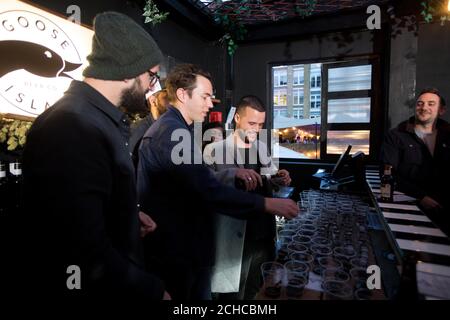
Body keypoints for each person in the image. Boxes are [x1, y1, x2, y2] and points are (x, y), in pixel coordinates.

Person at [14, 12, 169, 299]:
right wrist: (153, 291)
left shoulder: (94, 120)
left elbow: (80, 208)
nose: (153, 87)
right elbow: (79, 247)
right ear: (127, 70)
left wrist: (126, 215)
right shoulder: (71, 126)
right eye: (152, 75)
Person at [136, 64, 298, 300]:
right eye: (205, 97)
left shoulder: (178, 129)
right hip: (177, 252)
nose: (211, 103)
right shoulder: (171, 132)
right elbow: (207, 189)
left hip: (189, 249)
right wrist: (267, 204)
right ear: (182, 94)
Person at [204, 95, 292, 299]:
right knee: (232, 297)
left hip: (263, 236)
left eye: (260, 124)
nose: (256, 129)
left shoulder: (261, 148)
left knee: (256, 292)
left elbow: (267, 180)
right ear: (236, 118)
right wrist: (232, 174)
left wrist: (279, 177)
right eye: (251, 123)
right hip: (235, 240)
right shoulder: (213, 150)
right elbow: (205, 186)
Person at [380, 87, 450, 234]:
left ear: (441, 110)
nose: (424, 107)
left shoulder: (448, 134)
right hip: (409, 203)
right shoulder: (396, 135)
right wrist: (421, 196)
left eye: (431, 104)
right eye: (420, 104)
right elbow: (388, 172)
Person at [130, 89, 170, 168]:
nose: (172, 101)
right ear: (153, 100)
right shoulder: (137, 132)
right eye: (167, 97)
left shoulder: (177, 125)